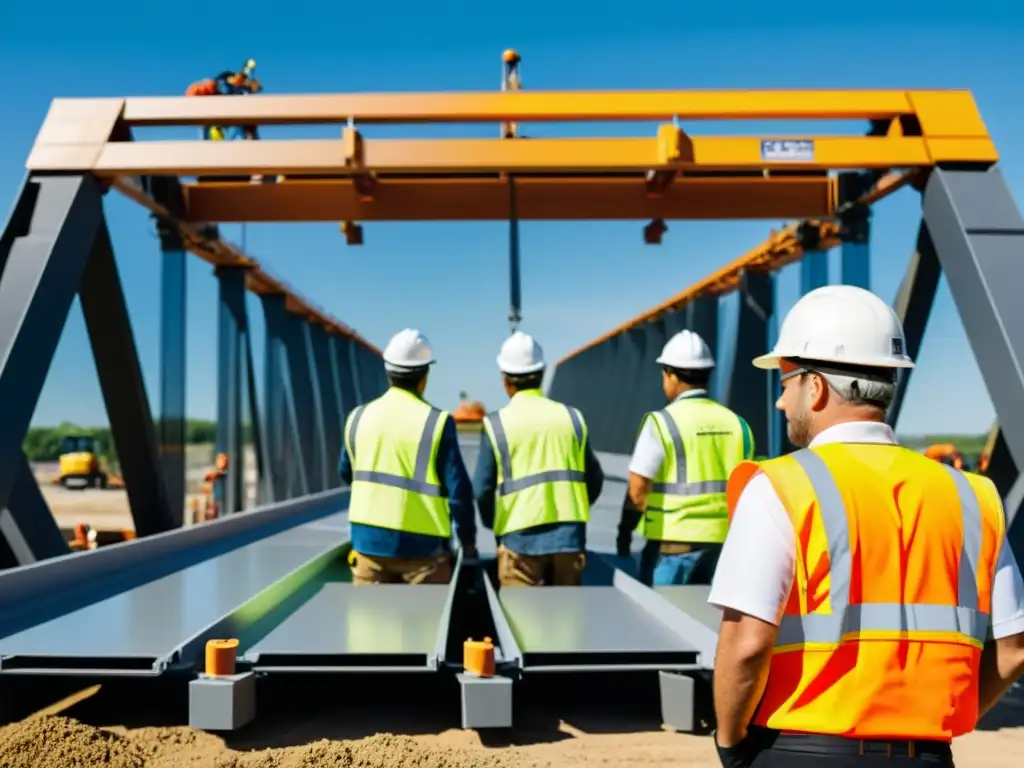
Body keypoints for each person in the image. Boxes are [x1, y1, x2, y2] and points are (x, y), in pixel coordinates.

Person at [708, 285, 1024, 767]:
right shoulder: (973, 496)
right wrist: (936, 725)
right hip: (929, 757)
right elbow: (1015, 649)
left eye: (785, 383)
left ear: (814, 388)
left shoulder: (781, 486)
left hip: (804, 750)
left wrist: (730, 745)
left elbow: (747, 643)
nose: (779, 403)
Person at [339, 328, 477, 585]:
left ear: (388, 371)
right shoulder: (437, 423)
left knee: (368, 622)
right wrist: (468, 542)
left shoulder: (357, 417)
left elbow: (347, 473)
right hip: (423, 550)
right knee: (425, 624)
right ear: (424, 376)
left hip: (368, 543)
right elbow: (459, 493)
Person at [617, 329, 753, 586]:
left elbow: (637, 490)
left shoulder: (660, 424)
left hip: (672, 551)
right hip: (725, 552)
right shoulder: (739, 425)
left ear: (671, 374)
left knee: (661, 623)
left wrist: (624, 533)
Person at [473, 331, 604, 587]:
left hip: (518, 541)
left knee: (519, 620)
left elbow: (481, 490)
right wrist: (575, 510)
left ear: (505, 380)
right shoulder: (573, 418)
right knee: (567, 619)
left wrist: (494, 524)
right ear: (542, 374)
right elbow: (595, 478)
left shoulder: (496, 425)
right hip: (568, 539)